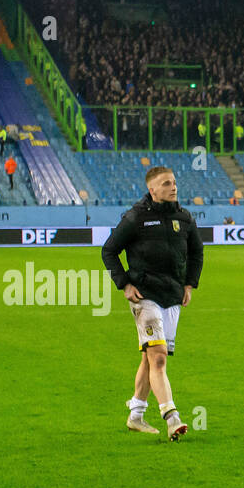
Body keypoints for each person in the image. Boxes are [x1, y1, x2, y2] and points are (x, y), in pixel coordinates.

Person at [101, 165, 203, 441]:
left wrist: (189, 283)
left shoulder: (184, 217)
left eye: (174, 182)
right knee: (158, 357)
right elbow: (109, 250)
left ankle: (135, 415)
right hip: (144, 296)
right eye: (167, 183)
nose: (173, 187)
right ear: (152, 189)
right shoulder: (136, 218)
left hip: (172, 297)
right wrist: (124, 283)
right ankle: (172, 417)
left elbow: (197, 252)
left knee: (150, 360)